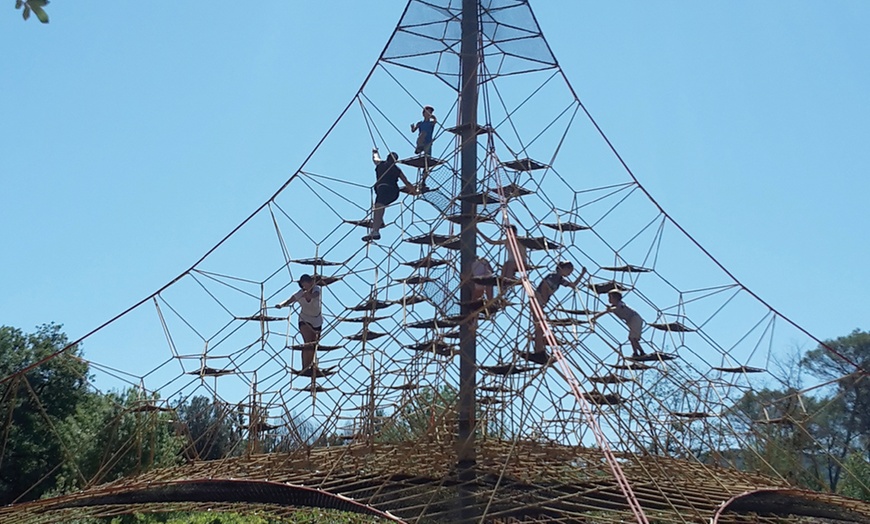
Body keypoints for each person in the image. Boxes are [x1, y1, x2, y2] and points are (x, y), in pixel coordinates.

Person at [527, 261, 587, 362]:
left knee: (540, 327)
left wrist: (582, 274)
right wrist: (544, 300)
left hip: (539, 301)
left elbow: (573, 285)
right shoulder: (553, 276)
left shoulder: (559, 279)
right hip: (538, 300)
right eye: (569, 270)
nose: (570, 274)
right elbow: (545, 286)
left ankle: (540, 351)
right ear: (561, 268)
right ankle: (538, 351)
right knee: (539, 326)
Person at [363, 149, 417, 242]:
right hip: (391, 191)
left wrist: (374, 152)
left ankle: (376, 231)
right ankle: (379, 222)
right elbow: (406, 182)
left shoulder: (383, 165)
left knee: (378, 206)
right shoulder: (395, 169)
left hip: (387, 190)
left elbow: (375, 158)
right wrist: (414, 191)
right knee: (379, 206)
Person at [275, 274, 323, 370]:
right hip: (304, 319)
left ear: (311, 283)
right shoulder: (300, 293)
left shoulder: (317, 289)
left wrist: (309, 295)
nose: (306, 287)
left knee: (314, 344)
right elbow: (290, 300)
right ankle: (305, 366)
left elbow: (315, 295)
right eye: (303, 286)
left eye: (307, 285)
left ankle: (312, 365)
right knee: (308, 342)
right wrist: (281, 305)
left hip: (317, 320)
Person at [589, 289, 646, 357]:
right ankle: (637, 352)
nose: (608, 299)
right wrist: (595, 317)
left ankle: (640, 353)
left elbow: (619, 308)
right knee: (632, 338)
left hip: (635, 319)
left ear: (614, 298)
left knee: (633, 338)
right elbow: (605, 312)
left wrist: (610, 310)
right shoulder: (614, 306)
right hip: (631, 321)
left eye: (610, 297)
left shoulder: (620, 304)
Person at [478, 224, 527, 292]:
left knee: (509, 265)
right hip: (510, 263)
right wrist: (479, 232)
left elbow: (526, 240)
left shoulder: (520, 240)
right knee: (505, 266)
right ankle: (502, 285)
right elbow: (491, 242)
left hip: (521, 263)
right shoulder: (507, 241)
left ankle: (506, 284)